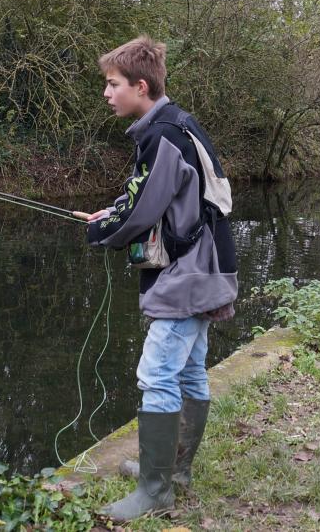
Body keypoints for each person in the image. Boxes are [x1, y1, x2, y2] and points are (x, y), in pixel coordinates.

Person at [72, 35, 238, 521]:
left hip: (190, 273)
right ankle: (173, 470)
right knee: (189, 369)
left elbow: (144, 208)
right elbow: (156, 195)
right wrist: (115, 210)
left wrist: (103, 230)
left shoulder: (161, 135)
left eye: (112, 84)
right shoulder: (175, 123)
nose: (106, 93)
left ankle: (155, 490)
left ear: (140, 86)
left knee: (159, 374)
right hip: (208, 267)